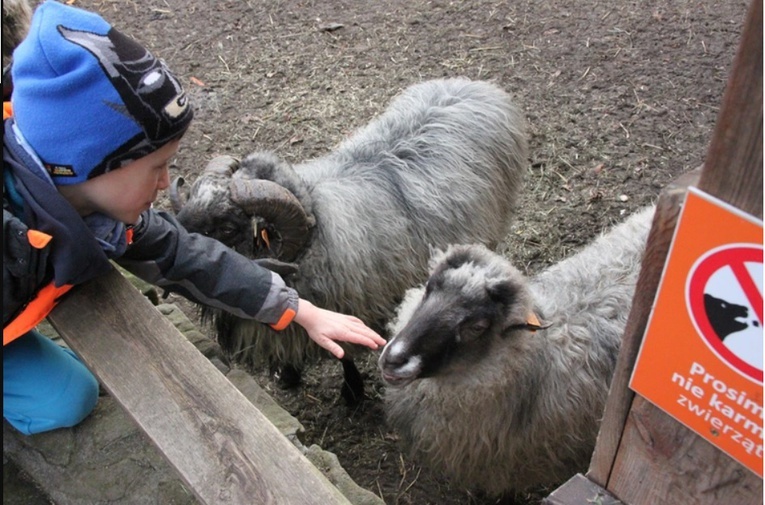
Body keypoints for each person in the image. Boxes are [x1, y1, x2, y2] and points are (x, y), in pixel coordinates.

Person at [2, 0, 386, 436]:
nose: (166, 184)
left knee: (69, 396)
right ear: (90, 165)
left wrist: (298, 310)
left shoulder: (96, 207)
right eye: (155, 168)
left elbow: (182, 253)